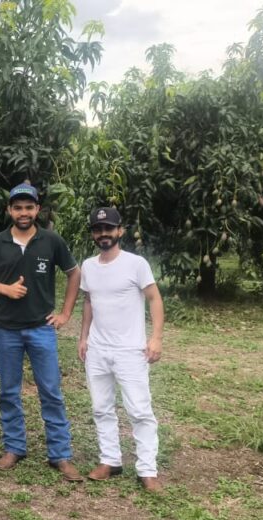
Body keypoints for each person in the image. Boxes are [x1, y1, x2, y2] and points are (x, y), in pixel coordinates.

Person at [0, 181, 83, 481]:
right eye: (17, 207)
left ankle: (61, 455)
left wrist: (65, 313)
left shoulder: (51, 241)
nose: (23, 212)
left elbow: (74, 273)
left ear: (37, 209)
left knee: (51, 391)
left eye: (29, 207)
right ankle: (14, 447)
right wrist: (4, 290)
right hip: (6, 329)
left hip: (41, 329)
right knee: (9, 391)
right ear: (9, 210)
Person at [78, 207, 165, 493]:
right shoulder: (89, 266)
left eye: (108, 229)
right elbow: (89, 302)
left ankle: (147, 470)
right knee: (101, 407)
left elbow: (154, 298)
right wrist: (83, 338)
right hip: (98, 349)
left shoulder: (136, 264)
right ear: (93, 233)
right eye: (98, 229)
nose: (103, 234)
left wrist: (156, 338)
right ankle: (110, 460)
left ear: (120, 231)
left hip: (130, 350)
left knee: (139, 410)